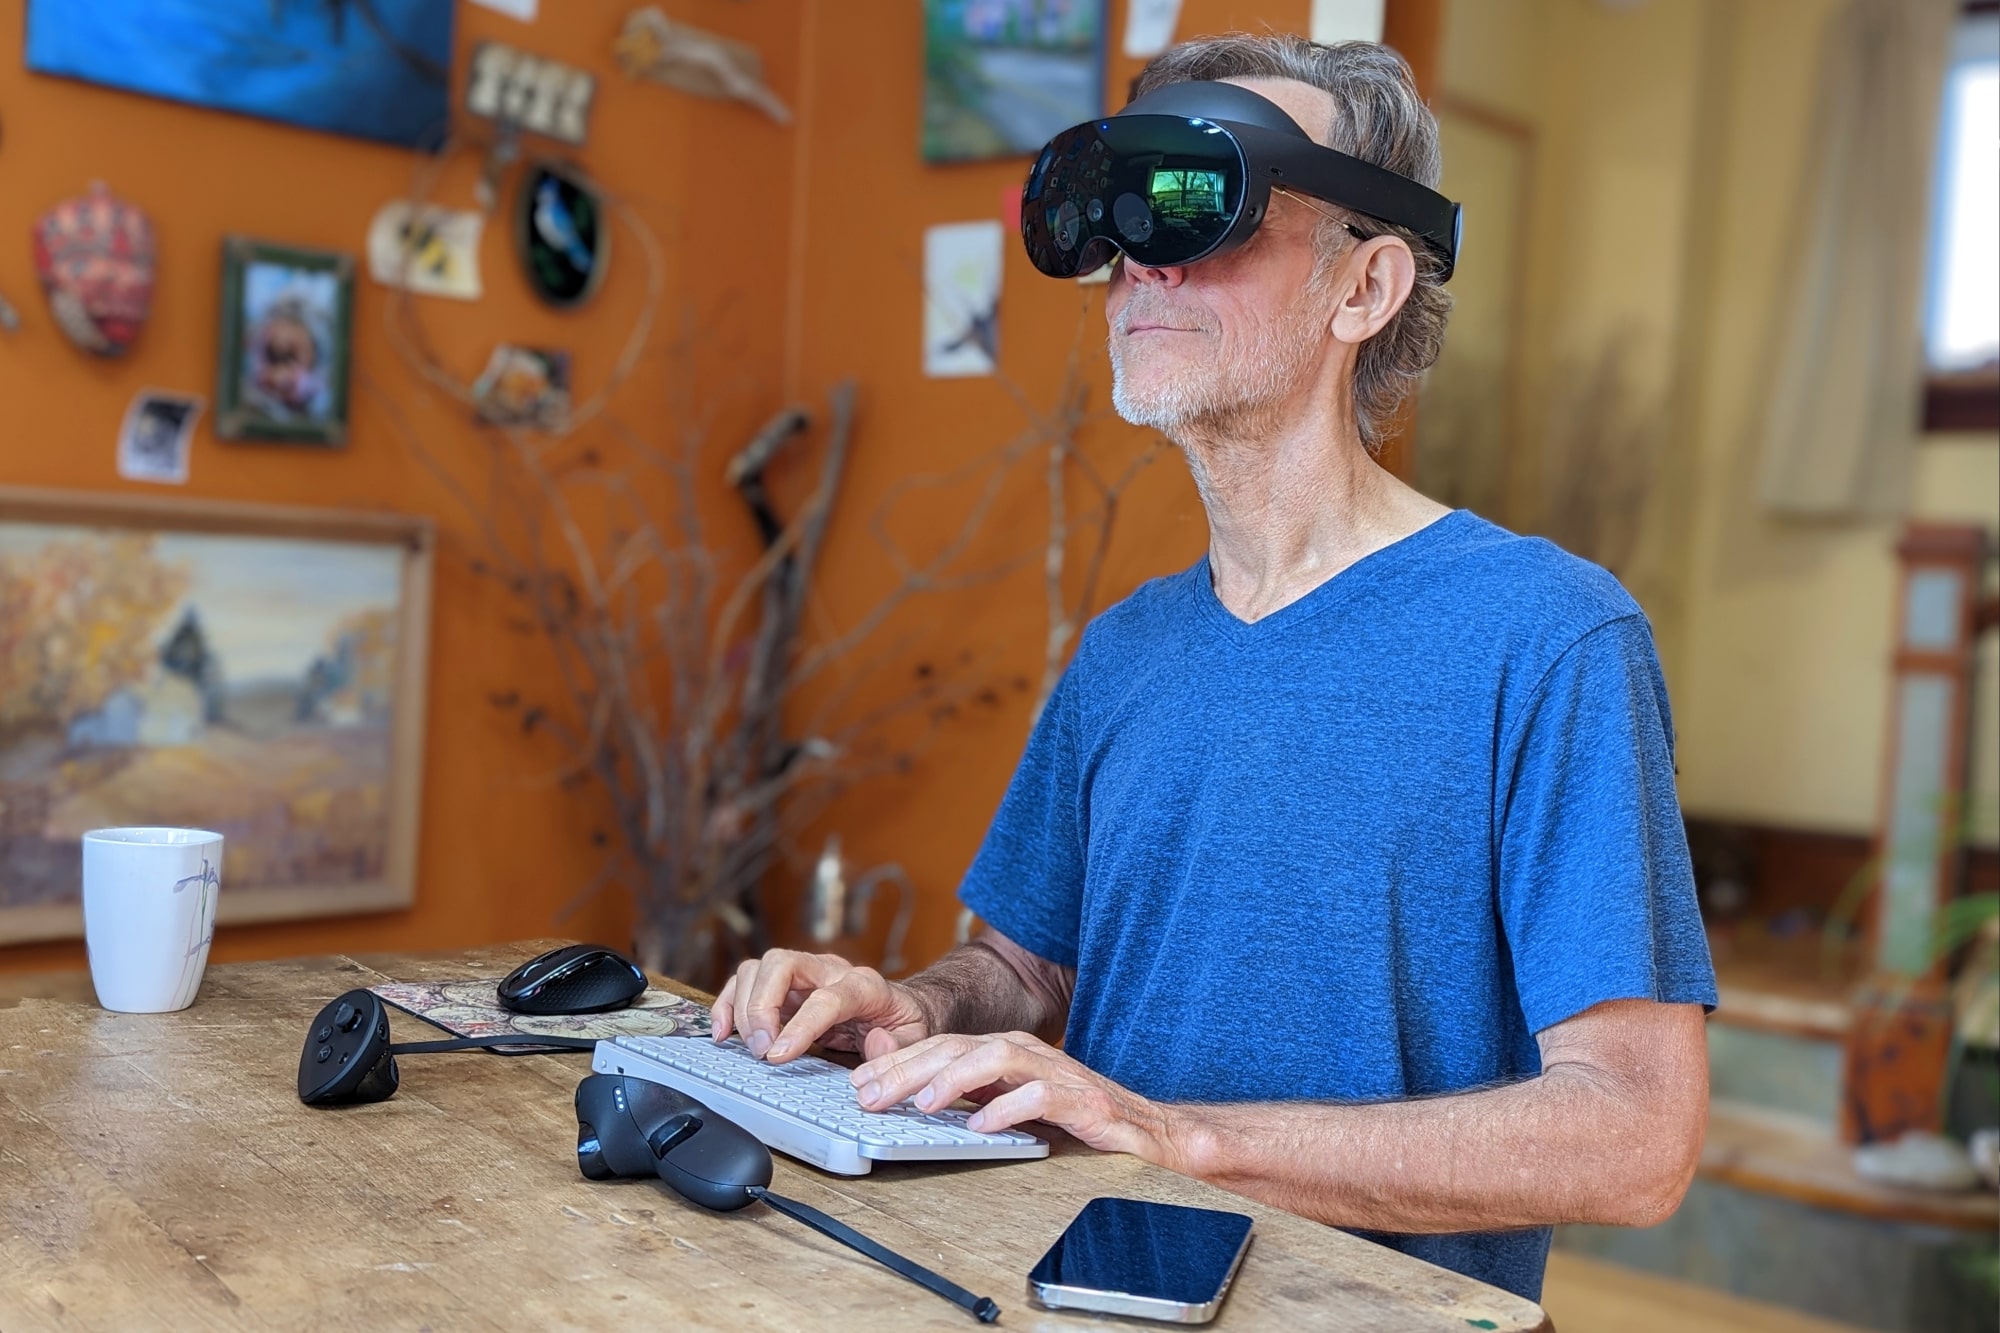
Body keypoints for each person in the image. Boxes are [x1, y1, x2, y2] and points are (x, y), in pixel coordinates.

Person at [712, 33, 1714, 1302]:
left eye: (1202, 203)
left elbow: (1633, 1138)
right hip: (1078, 1291)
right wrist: (914, 1011)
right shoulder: (1124, 650)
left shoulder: (1548, 638)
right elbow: (1027, 973)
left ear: (1364, 288)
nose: (1140, 259)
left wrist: (1181, 1138)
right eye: (1120, 216)